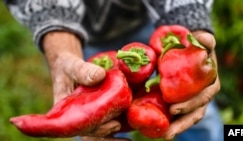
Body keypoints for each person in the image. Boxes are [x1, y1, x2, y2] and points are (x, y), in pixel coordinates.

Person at [4, 0, 223, 141]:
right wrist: (61, 50)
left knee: (193, 110)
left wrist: (188, 21)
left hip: (154, 25)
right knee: (90, 120)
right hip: (79, 37)